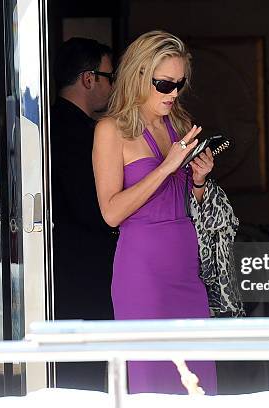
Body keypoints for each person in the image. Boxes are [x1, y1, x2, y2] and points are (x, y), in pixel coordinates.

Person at [92, 30, 217, 394]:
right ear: (139, 76)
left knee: (198, 381)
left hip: (185, 264)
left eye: (179, 84)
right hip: (142, 269)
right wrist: (166, 167)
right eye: (164, 84)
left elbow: (192, 207)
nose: (173, 93)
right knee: (150, 380)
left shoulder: (179, 123)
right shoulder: (110, 130)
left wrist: (198, 180)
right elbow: (111, 213)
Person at [50, 37, 117, 391]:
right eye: (110, 76)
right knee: (85, 378)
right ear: (89, 79)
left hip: (66, 269)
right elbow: (91, 208)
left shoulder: (53, 123)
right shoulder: (76, 132)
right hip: (82, 270)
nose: (113, 85)